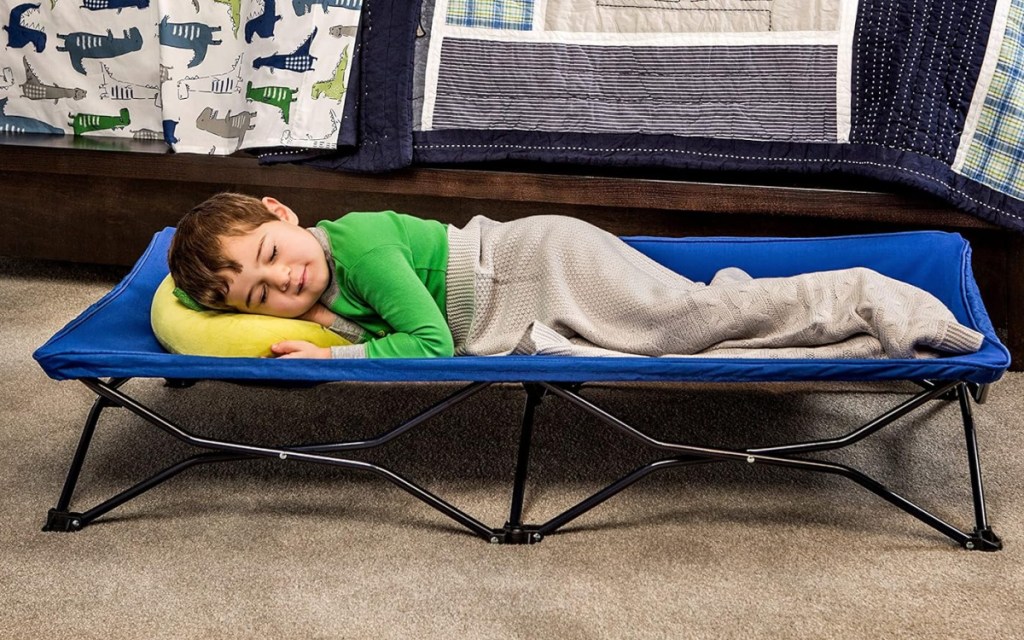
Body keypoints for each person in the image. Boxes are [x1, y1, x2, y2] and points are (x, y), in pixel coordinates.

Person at [168, 192, 985, 360]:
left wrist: (337, 358)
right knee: (688, 332)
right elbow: (181, 296)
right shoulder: (313, 280)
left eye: (275, 257)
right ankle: (821, 322)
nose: (286, 287)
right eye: (259, 297)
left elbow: (429, 344)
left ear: (282, 213)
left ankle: (871, 295)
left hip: (542, 267)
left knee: (689, 326)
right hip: (521, 297)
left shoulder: (364, 247)